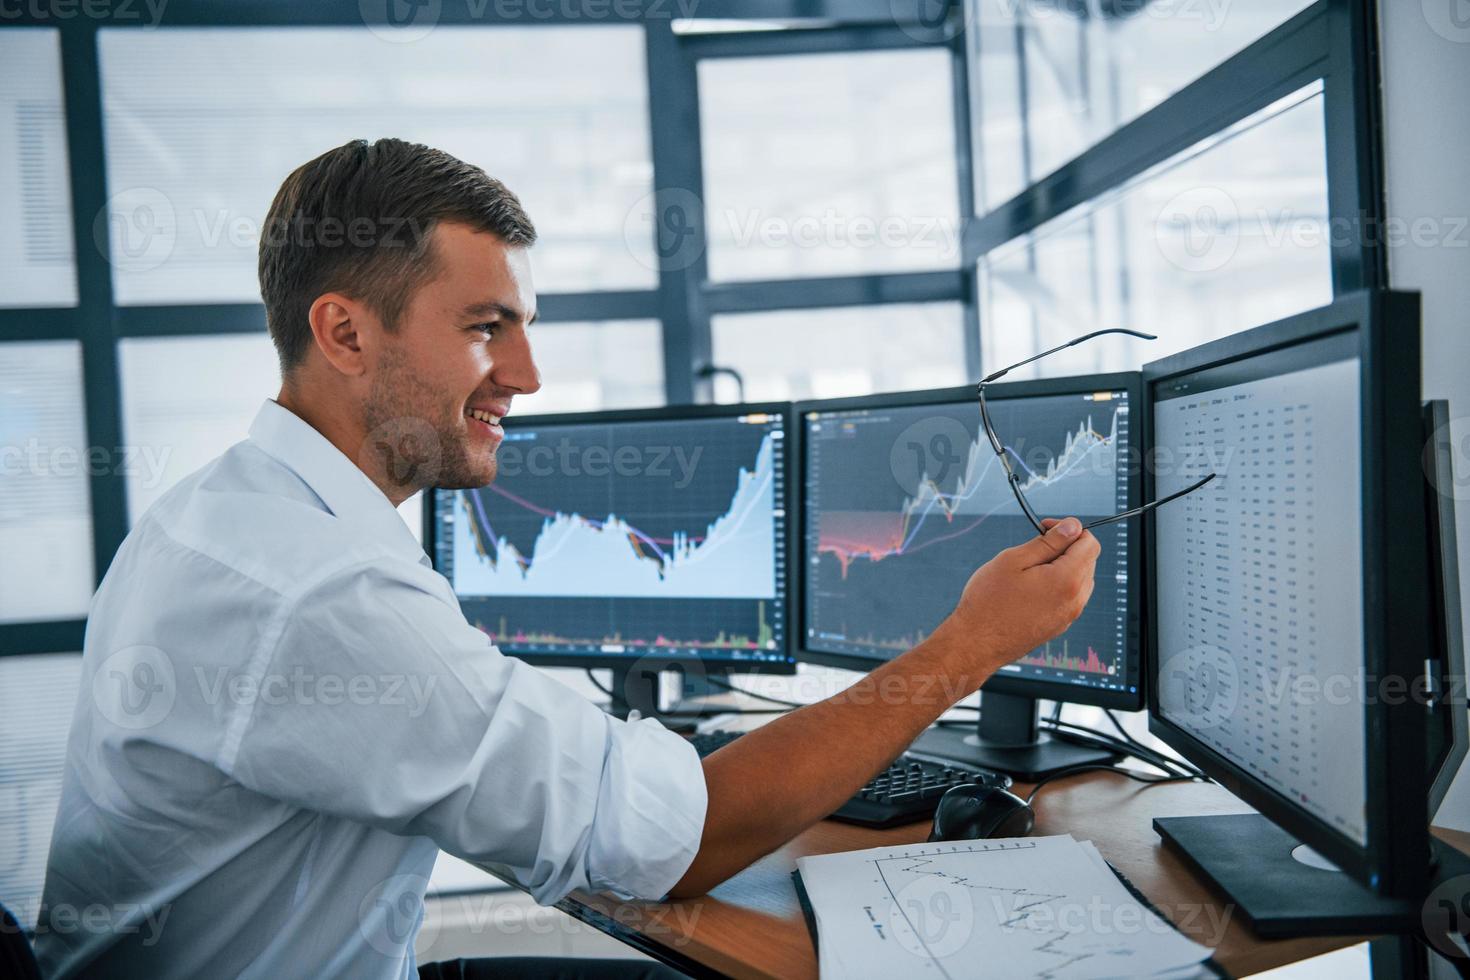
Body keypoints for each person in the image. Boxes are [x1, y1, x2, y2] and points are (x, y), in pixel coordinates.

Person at [35, 138, 1100, 979]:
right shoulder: (323, 592)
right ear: (347, 334)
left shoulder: (212, 515)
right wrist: (970, 643)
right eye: (487, 328)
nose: (529, 374)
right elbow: (678, 845)